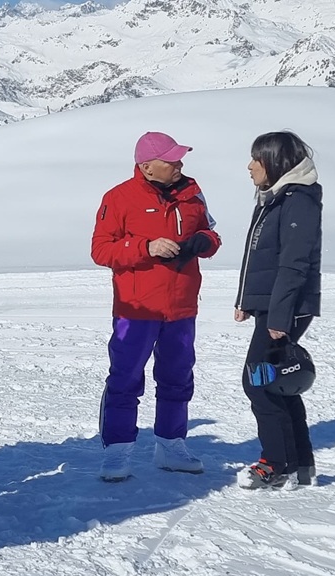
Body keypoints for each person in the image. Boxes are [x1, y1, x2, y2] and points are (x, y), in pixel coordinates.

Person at [91, 131, 221, 482]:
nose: (179, 165)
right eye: (171, 160)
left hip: (181, 306)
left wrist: (203, 242)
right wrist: (145, 248)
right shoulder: (119, 198)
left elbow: (213, 233)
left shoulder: (192, 193)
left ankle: (171, 444)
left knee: (178, 377)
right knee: (126, 378)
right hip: (137, 309)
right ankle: (117, 450)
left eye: (179, 158)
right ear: (147, 167)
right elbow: (101, 250)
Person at [234, 131, 322, 489]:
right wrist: (246, 301)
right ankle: (300, 463)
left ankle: (276, 463)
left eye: (257, 159)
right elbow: (259, 255)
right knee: (277, 383)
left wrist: (280, 318)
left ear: (275, 162)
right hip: (271, 305)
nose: (250, 166)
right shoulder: (275, 198)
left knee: (259, 385)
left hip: (285, 307)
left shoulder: (297, 200)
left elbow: (293, 264)